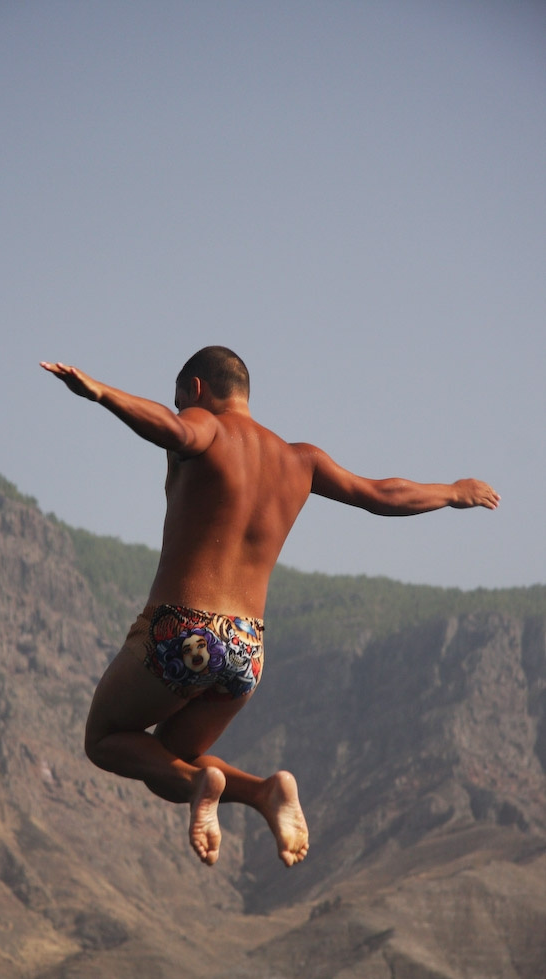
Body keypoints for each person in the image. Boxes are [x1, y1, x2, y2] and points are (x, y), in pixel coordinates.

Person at [40, 348, 500, 867]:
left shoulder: (206, 426)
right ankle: (264, 793)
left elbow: (174, 429)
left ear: (196, 389)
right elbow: (379, 493)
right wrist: (452, 492)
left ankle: (203, 784)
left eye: (181, 399)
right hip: (246, 649)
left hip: (184, 630)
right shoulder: (300, 460)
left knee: (103, 739)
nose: (182, 410)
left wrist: (101, 393)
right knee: (169, 763)